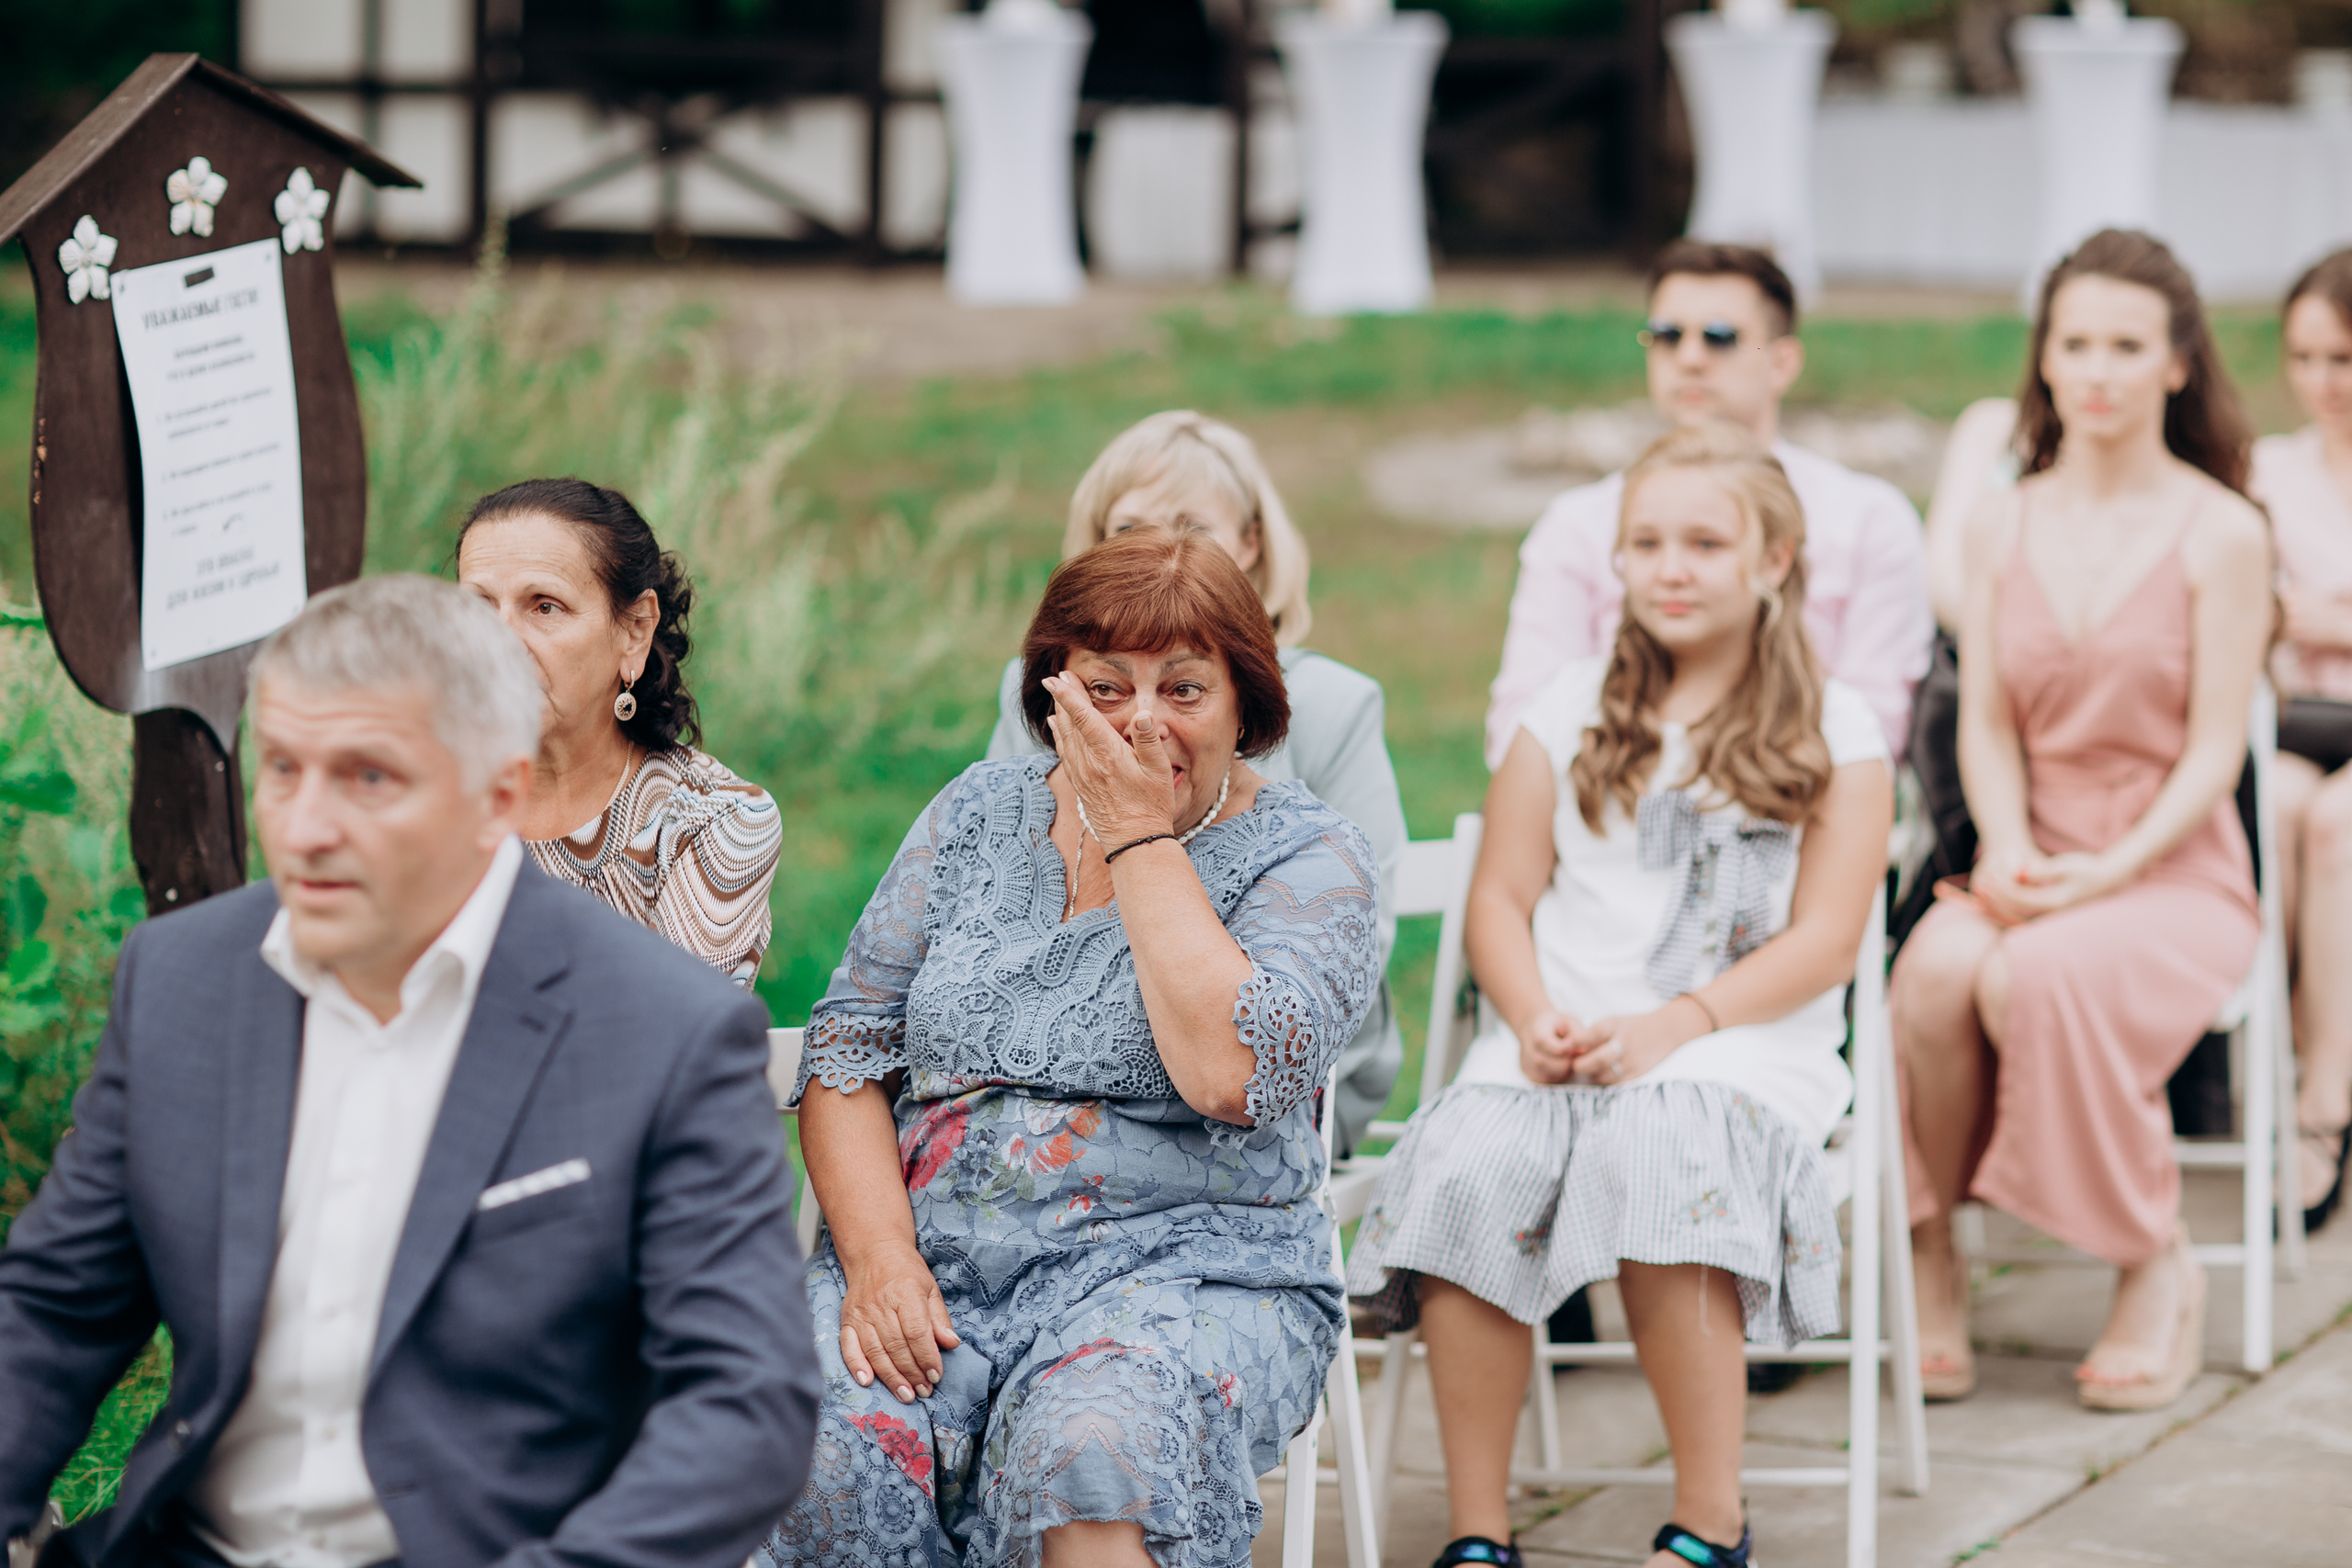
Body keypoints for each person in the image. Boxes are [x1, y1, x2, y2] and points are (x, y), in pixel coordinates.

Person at [0, 575, 819, 1568]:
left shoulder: (661, 1032)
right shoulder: (183, 980)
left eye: (369, 778)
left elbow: (743, 1406)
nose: (304, 829)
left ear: (498, 797)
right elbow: (54, 1307)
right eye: (284, 769)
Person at [770, 527, 1380, 1568]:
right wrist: (876, 1260)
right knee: (814, 1444)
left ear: (1247, 706)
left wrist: (1138, 834)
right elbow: (844, 1058)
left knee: (1090, 1453)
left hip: (1183, 1274)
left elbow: (1231, 1077)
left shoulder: (1309, 854)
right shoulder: (976, 812)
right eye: (1106, 686)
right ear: (1054, 695)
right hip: (927, 1268)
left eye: (1183, 690)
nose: (1141, 721)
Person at [1347, 423, 1894, 1568]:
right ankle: (1479, 1532)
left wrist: (1674, 1027)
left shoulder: (1835, 728)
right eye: (1646, 542)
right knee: (1466, 1163)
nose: (1672, 567)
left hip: (1734, 1048)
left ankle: (1709, 1516)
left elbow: (1829, 937)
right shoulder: (1569, 707)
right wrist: (1531, 1011)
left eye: (1705, 541)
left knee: (1661, 1150)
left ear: (1776, 558)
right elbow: (1498, 898)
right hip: (1560, 1035)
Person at [1894, 230, 2271, 1414]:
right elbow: (1987, 726)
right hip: (2029, 851)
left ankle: (2150, 1258)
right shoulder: (2000, 521)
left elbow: (2216, 750)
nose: (2097, 370)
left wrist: (2108, 868)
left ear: (2175, 364)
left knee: (2034, 979)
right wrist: (2007, 847)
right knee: (1936, 972)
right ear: (2043, 362)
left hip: (2172, 871)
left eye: (2125, 345)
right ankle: (1930, 1252)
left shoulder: (2223, 531)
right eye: (2075, 344)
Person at [984, 411, 1407, 1156]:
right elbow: (998, 884)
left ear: (1252, 543)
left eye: (1191, 527)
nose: (1154, 549)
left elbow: (1356, 934)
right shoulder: (1044, 693)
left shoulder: (1333, 704)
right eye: (1127, 530)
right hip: (1044, 1068)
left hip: (1273, 1071)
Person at [1487, 241, 1933, 769]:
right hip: (1613, 809)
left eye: (1720, 338)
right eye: (1667, 336)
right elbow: (1518, 732)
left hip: (1801, 814)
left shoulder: (1868, 521)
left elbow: (1880, 735)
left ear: (1783, 362)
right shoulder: (1577, 524)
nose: (1690, 358)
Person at [458, 478, 781, 987]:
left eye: (545, 606)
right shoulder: (422, 799)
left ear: (634, 631)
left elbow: (661, 1042)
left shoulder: (710, 822)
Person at [2250, 248, 2352, 1231]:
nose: (2324, 383)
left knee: (2340, 829)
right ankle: (2265, 1074)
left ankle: (2324, 1102)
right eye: (2306, 358)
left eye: (2345, 359)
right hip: (2293, 719)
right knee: (2278, 806)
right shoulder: (2271, 471)